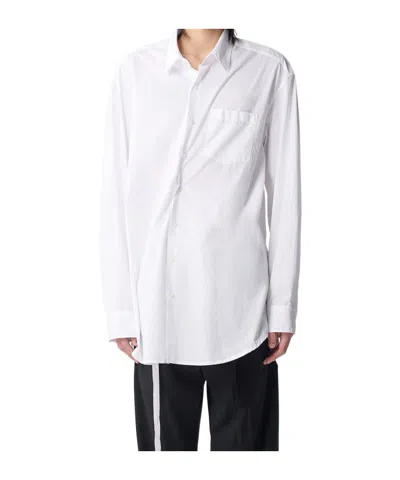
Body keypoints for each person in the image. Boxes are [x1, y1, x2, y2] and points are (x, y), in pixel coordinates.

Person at [100, 28, 301, 451]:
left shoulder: (269, 71)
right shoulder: (135, 73)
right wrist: (121, 311)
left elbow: (285, 195)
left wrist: (282, 307)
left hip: (243, 316)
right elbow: (116, 193)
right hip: (159, 316)